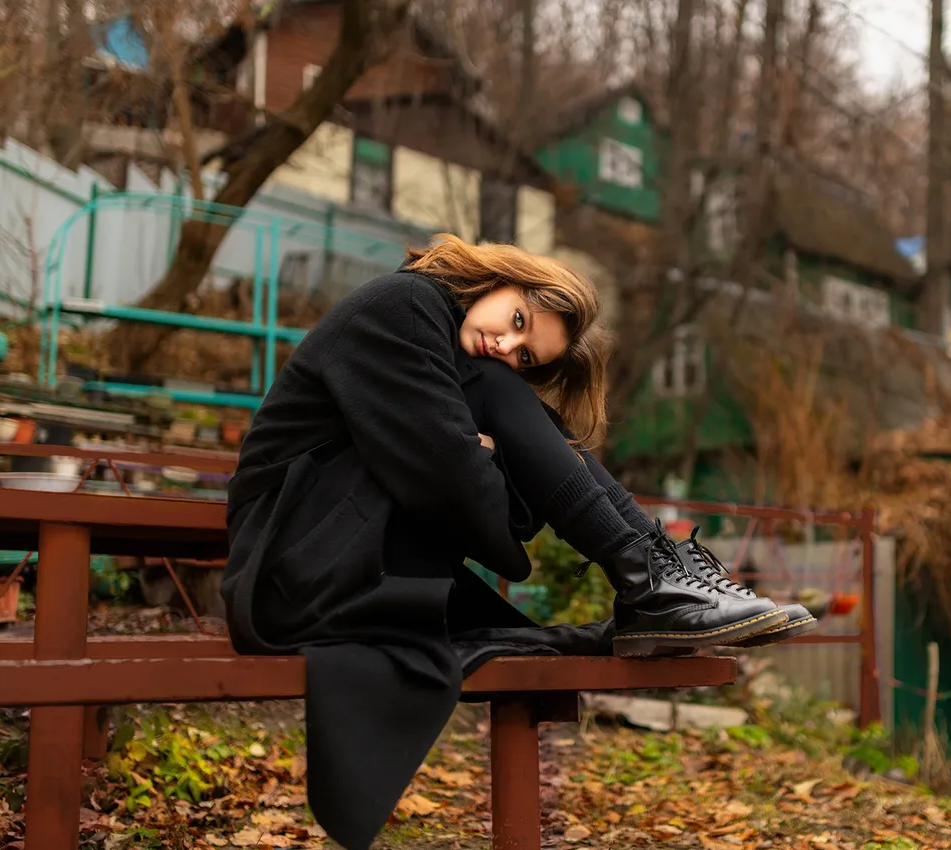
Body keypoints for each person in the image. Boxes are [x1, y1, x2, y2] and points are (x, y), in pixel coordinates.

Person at [220, 234, 815, 849]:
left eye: (526, 353)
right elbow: (478, 515)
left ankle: (657, 568)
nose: (508, 345)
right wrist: (480, 459)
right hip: (290, 566)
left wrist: (483, 457)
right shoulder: (405, 305)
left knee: (507, 397)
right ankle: (651, 578)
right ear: (502, 278)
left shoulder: (453, 354)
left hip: (342, 550)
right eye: (519, 320)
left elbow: (476, 503)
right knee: (498, 391)